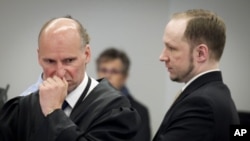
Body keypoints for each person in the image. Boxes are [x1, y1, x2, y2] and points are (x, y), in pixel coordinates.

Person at [0, 16, 141, 141]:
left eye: (69, 60)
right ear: (39, 57)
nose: (60, 72)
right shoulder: (23, 107)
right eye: (50, 61)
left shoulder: (114, 109)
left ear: (86, 54)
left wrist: (53, 112)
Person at [153, 9, 239, 141]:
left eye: (172, 48)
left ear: (201, 53)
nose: (162, 57)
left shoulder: (202, 105)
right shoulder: (216, 95)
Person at [96, 47, 151, 141]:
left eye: (114, 71)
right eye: (104, 70)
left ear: (125, 77)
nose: (107, 76)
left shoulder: (140, 111)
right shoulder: (86, 105)